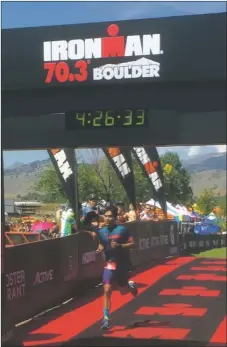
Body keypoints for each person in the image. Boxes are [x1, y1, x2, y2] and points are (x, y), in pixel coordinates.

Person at [96, 206, 137, 330]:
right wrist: (99, 249)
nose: (107, 218)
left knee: (123, 291)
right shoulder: (101, 231)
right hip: (109, 263)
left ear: (115, 217)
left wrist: (120, 245)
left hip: (122, 264)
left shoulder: (122, 229)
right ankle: (106, 319)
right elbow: (101, 244)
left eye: (109, 216)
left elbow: (133, 243)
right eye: (106, 216)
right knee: (107, 289)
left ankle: (130, 287)